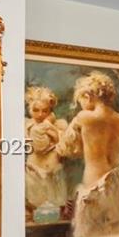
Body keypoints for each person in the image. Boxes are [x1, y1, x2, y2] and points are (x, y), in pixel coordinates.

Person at [58, 70, 119, 237]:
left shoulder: (84, 117)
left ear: (87, 96)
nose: (80, 105)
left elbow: (65, 148)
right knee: (118, 234)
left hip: (94, 182)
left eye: (80, 100)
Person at [23, 84, 68, 217]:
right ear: (29, 109)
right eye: (36, 110)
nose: (40, 114)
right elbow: (39, 146)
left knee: (55, 215)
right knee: (33, 214)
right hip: (33, 176)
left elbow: (65, 149)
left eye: (45, 111)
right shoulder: (26, 125)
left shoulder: (60, 125)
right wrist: (46, 125)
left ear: (50, 110)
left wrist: (52, 129)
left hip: (54, 177)